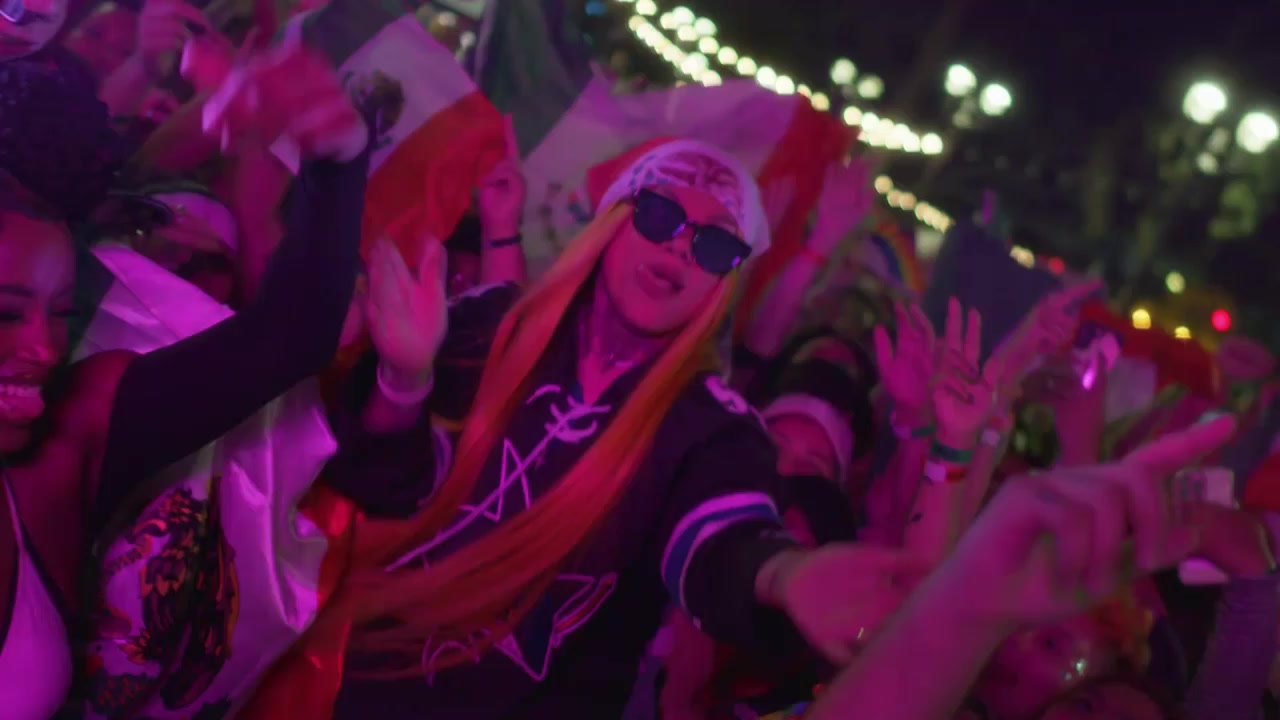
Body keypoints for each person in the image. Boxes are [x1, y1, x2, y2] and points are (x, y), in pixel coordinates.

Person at [259, 138, 924, 718]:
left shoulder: (713, 431)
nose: (681, 245)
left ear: (724, 282)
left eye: (716, 242)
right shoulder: (490, 326)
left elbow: (720, 544)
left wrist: (782, 575)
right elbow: (375, 483)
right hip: (330, 686)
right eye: (660, 214)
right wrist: (403, 377)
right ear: (613, 221)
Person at [0, 42, 368, 719]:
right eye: (6, 313)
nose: (43, 349)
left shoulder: (68, 442)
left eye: (60, 313)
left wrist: (338, 159)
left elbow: (288, 338)